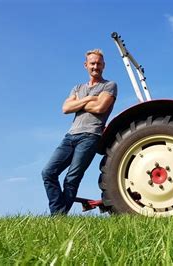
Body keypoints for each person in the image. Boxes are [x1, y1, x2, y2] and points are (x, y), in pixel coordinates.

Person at [42, 49, 117, 215]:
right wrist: (89, 99)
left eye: (98, 63)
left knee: (72, 178)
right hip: (70, 136)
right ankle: (58, 213)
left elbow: (100, 107)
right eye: (92, 63)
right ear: (86, 65)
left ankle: (58, 217)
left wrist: (79, 103)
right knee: (48, 172)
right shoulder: (77, 87)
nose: (95, 66)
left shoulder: (109, 85)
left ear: (104, 65)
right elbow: (65, 108)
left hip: (90, 136)